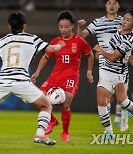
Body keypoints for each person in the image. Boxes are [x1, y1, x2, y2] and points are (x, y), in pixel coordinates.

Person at [0, 11, 65, 145]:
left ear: (9, 27)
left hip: (2, 80)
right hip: (20, 81)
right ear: (25, 26)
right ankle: (40, 134)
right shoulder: (32, 38)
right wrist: (60, 45)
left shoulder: (3, 40)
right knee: (46, 105)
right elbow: (51, 49)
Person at [77, 0, 133, 132]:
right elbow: (81, 36)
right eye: (109, 3)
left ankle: (124, 119)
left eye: (114, 3)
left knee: (120, 98)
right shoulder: (97, 22)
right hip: (104, 65)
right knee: (104, 100)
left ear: (118, 6)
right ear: (105, 6)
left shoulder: (124, 21)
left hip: (119, 64)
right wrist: (79, 27)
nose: (112, 6)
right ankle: (110, 130)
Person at [31, 10, 94, 142]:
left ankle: (65, 133)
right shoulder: (56, 41)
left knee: (66, 105)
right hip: (55, 76)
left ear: (72, 26)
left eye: (66, 26)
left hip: (71, 77)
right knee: (38, 99)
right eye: (61, 27)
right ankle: (53, 120)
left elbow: (90, 55)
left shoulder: (79, 41)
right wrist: (37, 72)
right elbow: (45, 57)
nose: (63, 29)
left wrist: (89, 71)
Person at [93, 0, 133, 139]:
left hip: (119, 73)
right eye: (124, 18)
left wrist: (100, 50)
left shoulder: (127, 40)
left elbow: (113, 57)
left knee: (122, 101)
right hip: (105, 70)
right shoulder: (122, 28)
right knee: (101, 102)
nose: (124, 21)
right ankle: (109, 133)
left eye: (128, 20)